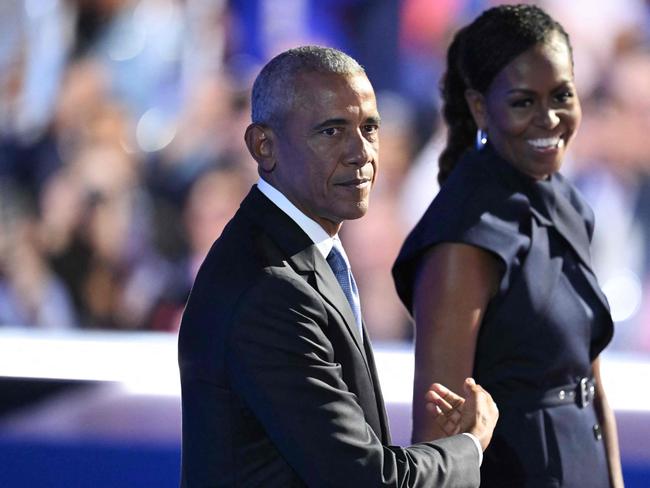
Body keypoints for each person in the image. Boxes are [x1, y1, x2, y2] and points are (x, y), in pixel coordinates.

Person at [178, 45, 498, 487]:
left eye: (370, 128)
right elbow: (365, 480)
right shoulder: (271, 290)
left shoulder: (306, 251)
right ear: (263, 145)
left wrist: (434, 452)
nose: (360, 152)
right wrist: (468, 446)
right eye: (331, 131)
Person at [392, 5, 623, 488]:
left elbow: (589, 380)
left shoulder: (570, 203)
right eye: (523, 102)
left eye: (562, 95)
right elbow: (438, 432)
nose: (550, 118)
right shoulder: (462, 238)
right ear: (480, 107)